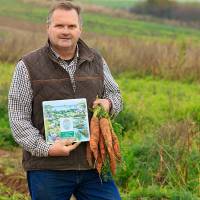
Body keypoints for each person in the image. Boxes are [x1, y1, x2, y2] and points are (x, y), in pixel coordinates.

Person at [8, 1, 123, 200]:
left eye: (71, 26)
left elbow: (116, 96)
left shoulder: (96, 60)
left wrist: (109, 104)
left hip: (92, 165)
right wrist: (48, 149)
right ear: (48, 28)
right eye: (59, 26)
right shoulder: (28, 65)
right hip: (47, 169)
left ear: (80, 29)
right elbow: (18, 119)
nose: (65, 31)